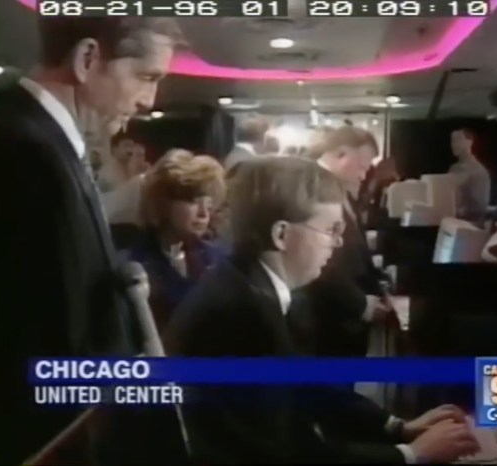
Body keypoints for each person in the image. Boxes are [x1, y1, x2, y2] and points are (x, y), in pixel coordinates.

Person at [164, 157, 479, 464]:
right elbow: (288, 452)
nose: (338, 243)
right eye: (330, 229)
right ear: (282, 235)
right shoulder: (243, 311)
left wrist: (396, 426)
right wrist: (411, 455)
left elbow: (305, 384)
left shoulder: (248, 283)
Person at [0, 15, 183, 464]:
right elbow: (35, 332)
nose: (149, 101)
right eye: (147, 77)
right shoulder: (22, 149)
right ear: (87, 58)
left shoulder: (38, 141)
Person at [306, 126, 395, 358]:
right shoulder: (311, 187)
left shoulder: (340, 188)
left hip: (349, 316)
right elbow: (319, 260)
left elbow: (357, 247)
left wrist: (378, 285)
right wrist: (360, 304)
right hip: (327, 318)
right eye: (362, 166)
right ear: (340, 154)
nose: (364, 175)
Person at [128, 152, 226, 330]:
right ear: (162, 203)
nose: (204, 214)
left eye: (208, 204)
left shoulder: (219, 259)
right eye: (193, 201)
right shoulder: (135, 266)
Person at [448, 128, 492, 222]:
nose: (454, 144)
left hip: (468, 225)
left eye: (458, 140)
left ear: (469, 142)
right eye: (452, 141)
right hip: (451, 222)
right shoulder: (453, 169)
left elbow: (481, 208)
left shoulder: (479, 171)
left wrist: (457, 211)